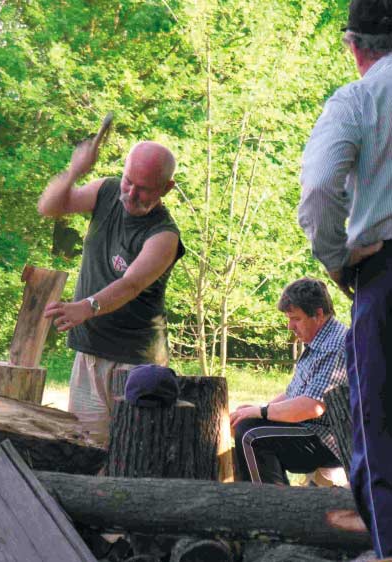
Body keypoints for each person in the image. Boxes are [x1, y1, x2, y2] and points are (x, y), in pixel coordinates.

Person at [298, 1, 392, 557]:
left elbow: (318, 189)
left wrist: (338, 261)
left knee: (381, 431)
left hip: (385, 272)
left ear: (353, 44)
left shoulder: (360, 98)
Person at [38, 137, 184, 444]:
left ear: (166, 188)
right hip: (89, 351)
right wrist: (75, 171)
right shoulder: (106, 191)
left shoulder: (164, 236)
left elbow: (130, 284)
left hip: (134, 361)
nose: (131, 193)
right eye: (129, 181)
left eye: (143, 188)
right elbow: (49, 206)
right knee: (86, 449)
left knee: (133, 452)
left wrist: (86, 307)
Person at [230, 278, 347, 485]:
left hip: (332, 439)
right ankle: (278, 500)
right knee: (247, 424)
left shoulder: (334, 346)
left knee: (252, 436)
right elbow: (295, 394)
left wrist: (260, 412)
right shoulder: (319, 340)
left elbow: (312, 407)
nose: (290, 326)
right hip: (315, 430)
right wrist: (261, 408)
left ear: (318, 314)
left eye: (296, 319)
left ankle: (270, 508)